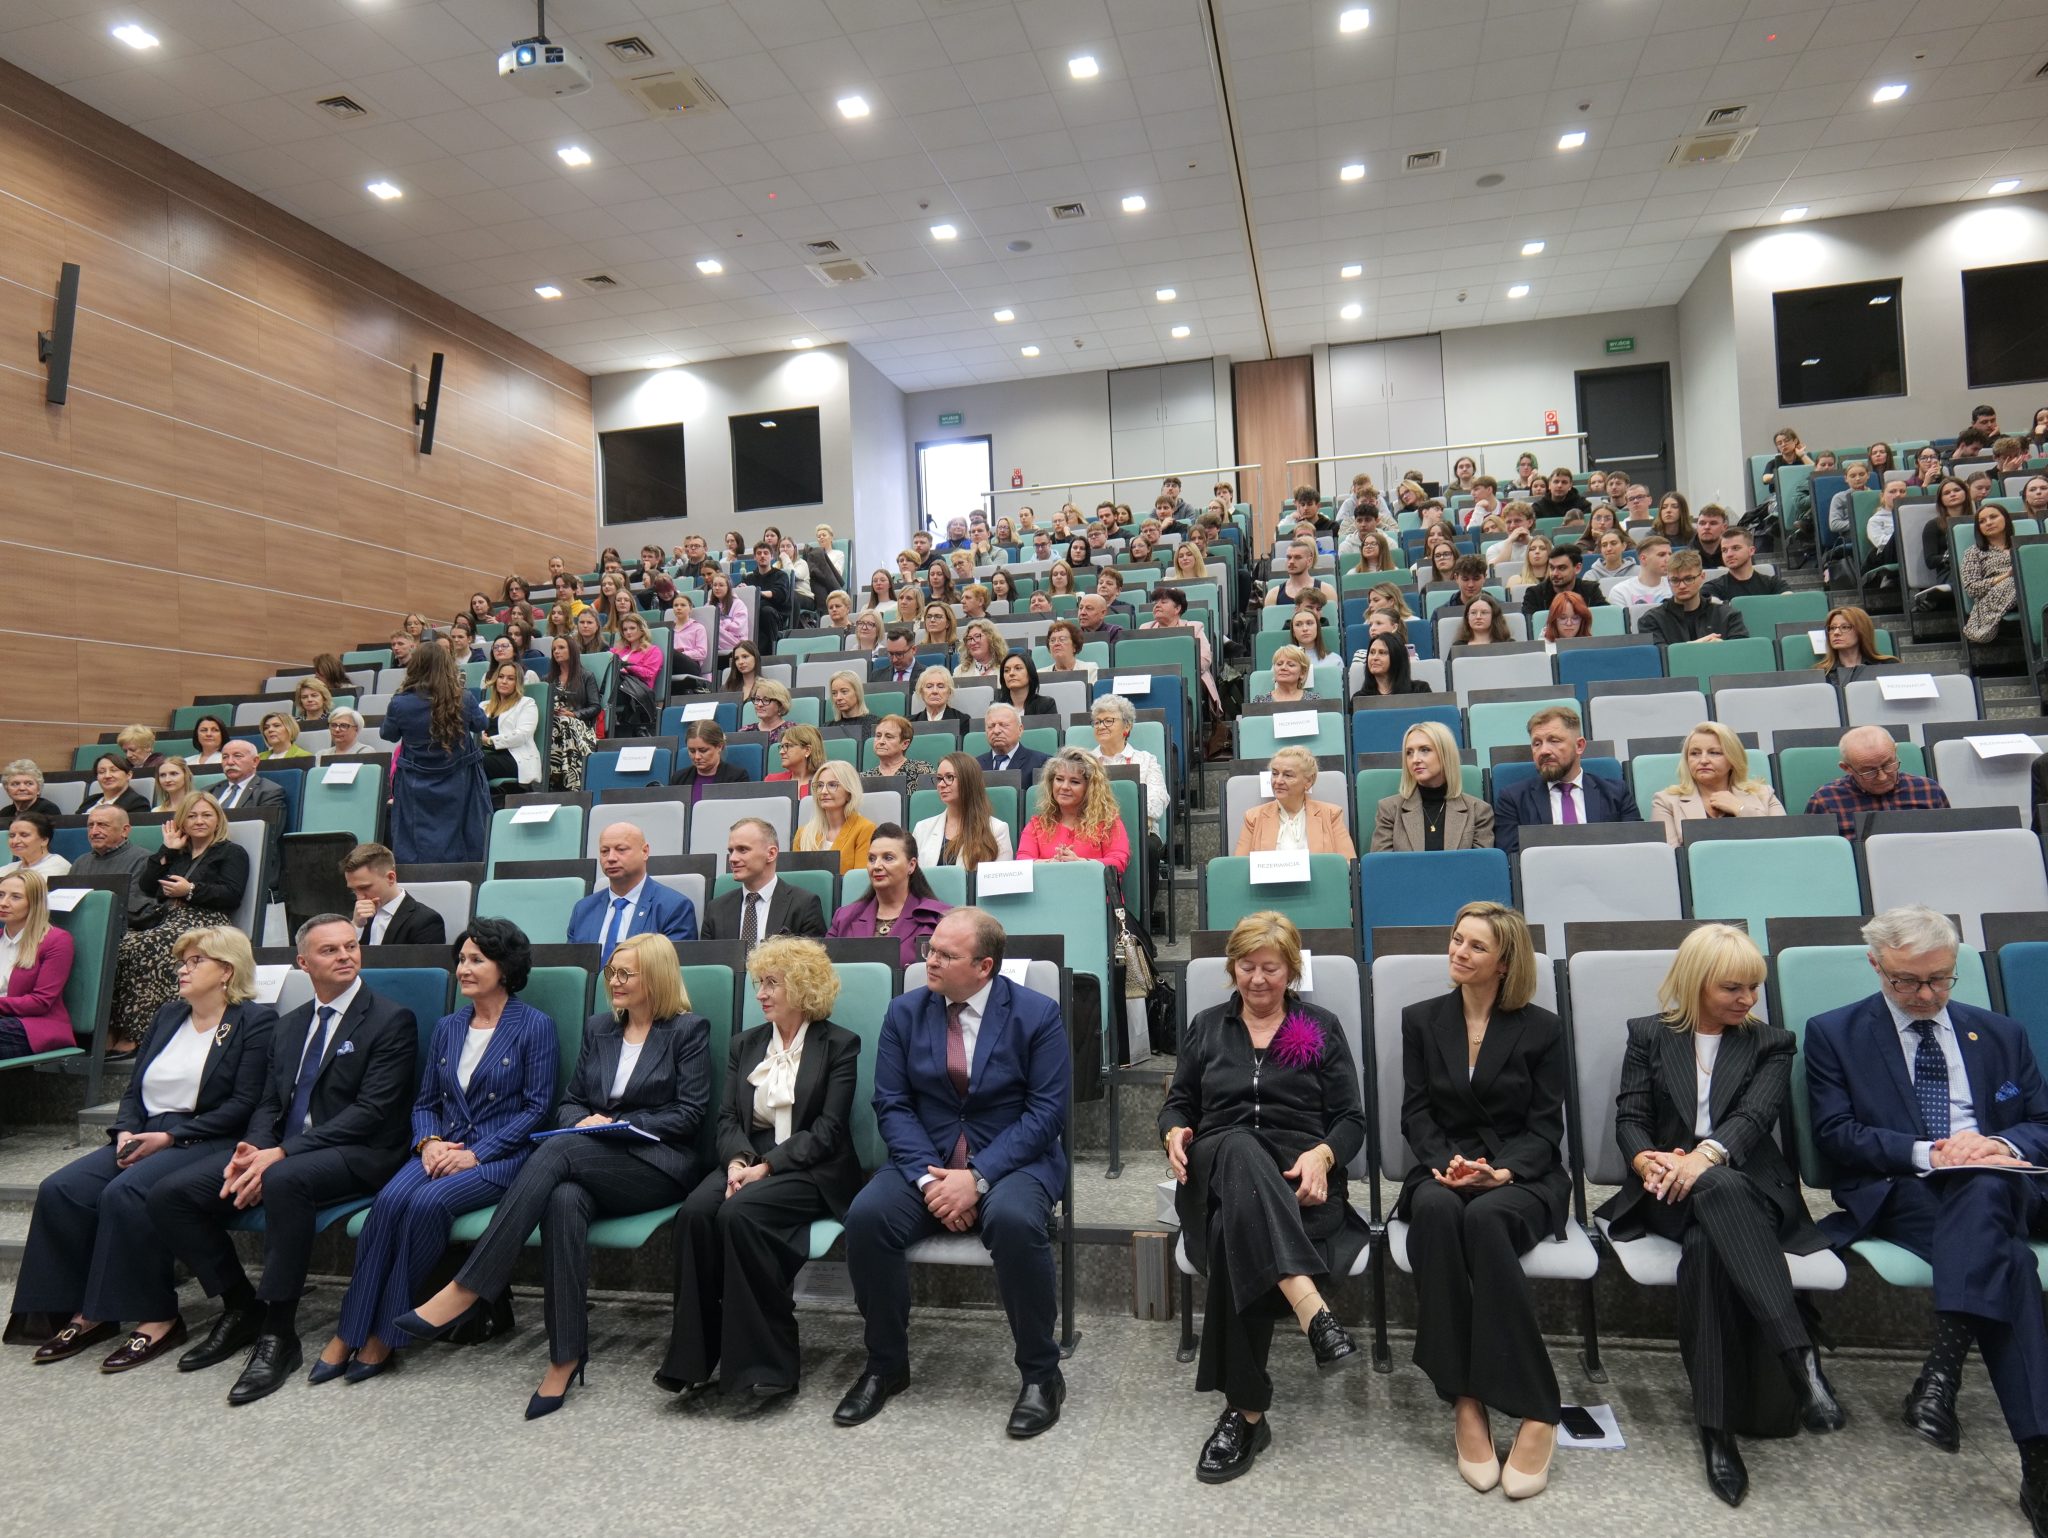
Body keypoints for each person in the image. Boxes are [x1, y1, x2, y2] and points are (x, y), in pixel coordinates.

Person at [1804, 907, 2048, 1530]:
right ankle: (2040, 1459)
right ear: (1876, 967)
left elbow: (2041, 1124)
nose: (1926, 995)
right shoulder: (1836, 1032)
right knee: (2010, 1258)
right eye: (1907, 982)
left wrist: (1998, 1145)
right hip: (1906, 1187)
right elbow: (1837, 1135)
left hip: (2008, 1183)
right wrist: (1932, 1152)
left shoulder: (1999, 1033)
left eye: (1941, 980)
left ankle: (1942, 1370)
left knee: (1986, 1183)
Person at [1595, 925, 1843, 1506]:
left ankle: (1716, 1431)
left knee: (1713, 1220)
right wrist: (1646, 1158)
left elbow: (1755, 1118)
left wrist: (1703, 1160)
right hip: (1666, 1192)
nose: (1747, 1000)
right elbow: (1629, 1116)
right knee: (1707, 1223)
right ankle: (1798, 1355)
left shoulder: (1771, 1044)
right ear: (1696, 982)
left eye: (1754, 988)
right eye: (1733, 988)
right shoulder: (1648, 1036)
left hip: (1749, 1189)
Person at [147, 915, 417, 1403]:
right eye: (330, 950)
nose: (345, 956)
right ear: (303, 962)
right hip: (282, 1151)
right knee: (171, 1194)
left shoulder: (390, 1019)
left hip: (359, 1153)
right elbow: (270, 1102)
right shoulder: (291, 1025)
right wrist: (251, 1152)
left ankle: (279, 1331)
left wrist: (280, 1154)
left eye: (350, 946)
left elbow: (372, 1113)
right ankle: (240, 1304)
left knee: (287, 1180)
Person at [835, 907, 1069, 1436]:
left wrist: (977, 1177)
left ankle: (1041, 1373)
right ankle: (886, 1364)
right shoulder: (904, 1012)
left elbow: (1047, 1113)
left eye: (946, 955)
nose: (929, 961)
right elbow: (892, 1104)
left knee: (1012, 1222)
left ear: (984, 966)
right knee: (867, 1218)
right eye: (930, 949)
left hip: (1013, 1161)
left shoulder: (1037, 1014)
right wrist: (930, 1180)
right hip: (926, 1161)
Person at [1162, 909, 1365, 1480]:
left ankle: (1245, 1413)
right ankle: (1313, 1312)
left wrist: (1323, 1155)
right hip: (1214, 1170)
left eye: (1270, 969)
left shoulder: (1320, 1027)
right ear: (1232, 968)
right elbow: (1180, 1103)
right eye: (1246, 967)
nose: (1257, 980)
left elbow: (1350, 1119)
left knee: (1235, 1230)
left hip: (1299, 1182)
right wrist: (1173, 1131)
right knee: (1237, 1145)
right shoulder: (1207, 1026)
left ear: (1291, 970)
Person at [9, 926, 270, 1368]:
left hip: (208, 1137)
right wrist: (125, 1131)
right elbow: (134, 1089)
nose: (182, 970)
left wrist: (171, 1137)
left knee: (126, 1193)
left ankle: (157, 1317)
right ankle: (87, 1310)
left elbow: (245, 1103)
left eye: (195, 962)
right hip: (147, 1131)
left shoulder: (253, 1021)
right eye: (182, 962)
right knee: (62, 1188)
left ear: (226, 970)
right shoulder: (169, 1015)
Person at [311, 919, 557, 1384]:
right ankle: (349, 1330)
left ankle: (385, 1335)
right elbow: (425, 1103)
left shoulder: (534, 1026)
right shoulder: (448, 1026)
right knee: (387, 1202)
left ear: (504, 968)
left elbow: (536, 1111)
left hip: (500, 1158)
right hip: (438, 1149)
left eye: (476, 960)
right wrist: (430, 1142)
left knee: (425, 1204)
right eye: (461, 959)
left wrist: (476, 1154)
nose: (463, 968)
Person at [645, 936, 859, 1412]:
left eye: (771, 984)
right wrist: (741, 1161)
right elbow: (726, 1120)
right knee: (697, 1213)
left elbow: (828, 1130)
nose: (760, 993)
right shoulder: (746, 1044)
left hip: (810, 1166)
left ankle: (767, 1366)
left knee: (738, 1215)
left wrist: (768, 1166)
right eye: (759, 983)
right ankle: (693, 1358)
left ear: (802, 988)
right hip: (748, 1159)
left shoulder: (838, 1045)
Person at [1398, 902, 1568, 1499]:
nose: (1458, 952)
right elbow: (1415, 1113)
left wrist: (1502, 1171)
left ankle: (1538, 1407)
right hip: (1441, 1166)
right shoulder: (1421, 1020)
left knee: (1489, 1219)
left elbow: (1547, 1128)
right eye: (1455, 939)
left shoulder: (1542, 1028)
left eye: (1475, 946)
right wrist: (1446, 1162)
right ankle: (1465, 1400)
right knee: (1440, 1213)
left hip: (1522, 1174)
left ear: (1504, 962)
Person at [108, 793, 247, 1051]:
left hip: (207, 921)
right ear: (183, 820)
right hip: (168, 918)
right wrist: (166, 849)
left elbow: (231, 894)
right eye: (192, 816)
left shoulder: (231, 852)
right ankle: (116, 1026)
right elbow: (147, 886)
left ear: (218, 819)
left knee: (146, 947)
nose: (199, 821)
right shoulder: (178, 854)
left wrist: (191, 890)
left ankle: (140, 1033)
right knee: (122, 945)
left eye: (207, 815)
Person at [385, 644, 490, 865]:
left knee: (415, 838)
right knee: (464, 832)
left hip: (415, 783)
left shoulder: (400, 702)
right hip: (461, 780)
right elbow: (481, 723)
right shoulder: (464, 698)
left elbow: (389, 735)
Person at [1493, 704, 1641, 857]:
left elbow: (1637, 849)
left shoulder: (1616, 793)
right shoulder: (1513, 799)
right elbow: (1512, 860)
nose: (1544, 751)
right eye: (1537, 743)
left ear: (1579, 745)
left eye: (1554, 741)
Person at [567, 823, 699, 958]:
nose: (611, 858)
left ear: (645, 852)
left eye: (621, 849)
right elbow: (573, 967)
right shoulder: (583, 910)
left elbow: (669, 971)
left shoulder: (674, 907)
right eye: (604, 851)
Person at [827, 824, 953, 965]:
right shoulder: (843, 918)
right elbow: (825, 972)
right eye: (872, 859)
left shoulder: (939, 918)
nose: (877, 866)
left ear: (911, 865)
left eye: (888, 858)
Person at [1805, 724, 1950, 838]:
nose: (1882, 777)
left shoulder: (1928, 790)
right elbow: (1817, 854)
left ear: (1895, 752)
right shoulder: (1825, 801)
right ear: (1846, 768)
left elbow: (1950, 840)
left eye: (1888, 765)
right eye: (1869, 771)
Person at [1650, 724, 1787, 845]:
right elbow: (1671, 857)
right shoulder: (1666, 802)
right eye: (1695, 753)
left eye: (1714, 753)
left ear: (1733, 759)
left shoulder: (1764, 794)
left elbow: (1782, 842)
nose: (1703, 760)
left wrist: (1740, 809)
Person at [702, 819, 826, 949]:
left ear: (771, 854)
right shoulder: (715, 909)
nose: (732, 858)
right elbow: (707, 964)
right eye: (731, 851)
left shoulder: (803, 905)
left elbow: (812, 964)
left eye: (742, 850)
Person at [1372, 721, 1494, 851]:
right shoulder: (1389, 810)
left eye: (1425, 750)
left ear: (1445, 754)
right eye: (1409, 753)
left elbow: (1480, 868)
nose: (1415, 759)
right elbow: (1383, 867)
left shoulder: (1478, 812)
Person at [0, 868, 75, 1061]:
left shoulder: (57, 940)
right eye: (1, 894)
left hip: (34, 1025)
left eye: (15, 897)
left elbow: (40, 1002)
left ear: (34, 903)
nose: (3, 902)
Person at [1017, 748, 1130, 876]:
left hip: (1095, 893)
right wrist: (1051, 864)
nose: (1064, 787)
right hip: (1050, 892)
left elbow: (1118, 863)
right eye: (1059, 779)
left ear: (1090, 788)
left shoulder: (1108, 822)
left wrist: (1080, 863)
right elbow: (1022, 862)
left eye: (1074, 782)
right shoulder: (1037, 824)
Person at [1233, 746, 1354, 855]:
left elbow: (1347, 865)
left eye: (1288, 775)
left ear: (1308, 781)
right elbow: (1239, 868)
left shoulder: (1331, 814)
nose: (1278, 781)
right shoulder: (1253, 818)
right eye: (1275, 774)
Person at [914, 753, 1013, 870]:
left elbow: (999, 882)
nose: (941, 784)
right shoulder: (922, 828)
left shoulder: (997, 829)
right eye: (939, 778)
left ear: (968, 781)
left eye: (949, 777)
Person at [1089, 693, 1167, 838]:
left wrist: (1140, 820)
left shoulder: (1146, 759)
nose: (1101, 726)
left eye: (1108, 721)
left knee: (1148, 848)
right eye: (1097, 722)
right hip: (1093, 830)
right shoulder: (1085, 762)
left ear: (1127, 726)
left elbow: (1158, 797)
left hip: (1140, 829)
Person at [340, 842, 445, 948]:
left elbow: (423, 963)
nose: (359, 898)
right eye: (354, 890)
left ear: (390, 878)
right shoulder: (353, 919)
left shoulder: (426, 921)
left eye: (364, 888)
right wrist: (356, 927)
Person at [1638, 551, 1750, 646]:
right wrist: (1696, 647)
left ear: (1702, 577)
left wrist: (1722, 647)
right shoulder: (1651, 620)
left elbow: (1741, 651)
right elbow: (1658, 659)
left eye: (1689, 578)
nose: (1681, 586)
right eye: (1675, 580)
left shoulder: (1727, 614)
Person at [1142, 586, 1223, 715]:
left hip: (1188, 678)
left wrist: (1181, 672)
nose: (1157, 605)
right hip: (1153, 679)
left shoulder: (1194, 627)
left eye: (1163, 602)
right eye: (1155, 602)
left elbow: (1205, 659)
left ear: (1177, 608)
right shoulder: (1145, 629)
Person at [69, 805, 153, 921]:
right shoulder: (80, 862)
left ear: (124, 830)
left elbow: (137, 909)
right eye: (90, 825)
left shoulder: (143, 860)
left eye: (102, 825)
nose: (94, 832)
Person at [793, 761, 875, 875]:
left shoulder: (865, 829)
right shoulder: (803, 834)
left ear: (849, 792)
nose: (824, 792)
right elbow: (796, 879)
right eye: (820, 785)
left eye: (832, 785)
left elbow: (859, 882)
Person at [476, 659, 541, 788]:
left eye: (510, 678)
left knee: (476, 762)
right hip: (486, 754)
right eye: (501, 677)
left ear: (517, 683)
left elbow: (522, 735)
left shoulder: (527, 703)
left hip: (515, 758)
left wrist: (489, 741)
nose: (504, 681)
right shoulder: (483, 706)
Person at [1963, 500, 2019, 644]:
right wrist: (2006, 576)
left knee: (2026, 580)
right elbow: (1972, 588)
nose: (1988, 522)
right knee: (2017, 581)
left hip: (2028, 591)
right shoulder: (1974, 552)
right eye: (1982, 521)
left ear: (2005, 519)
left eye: (1993, 517)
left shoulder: (2022, 546)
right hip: (1992, 599)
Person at [1812, 604, 1900, 685]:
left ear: (1861, 631)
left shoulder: (1888, 665)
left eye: (1845, 627)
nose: (1836, 632)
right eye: (1832, 628)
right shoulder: (1821, 673)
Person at [1518, 544, 1607, 620]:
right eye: (1552, 568)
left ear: (1577, 568)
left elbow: (1605, 619)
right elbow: (1530, 627)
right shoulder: (1534, 594)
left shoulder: (1591, 590)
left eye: (1562, 568)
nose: (1555, 573)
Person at [674, 721, 749, 803]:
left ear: (719, 746)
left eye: (703, 750)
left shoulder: (737, 778)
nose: (697, 757)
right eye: (692, 751)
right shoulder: (678, 779)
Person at [979, 703, 1052, 782]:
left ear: (1020, 730)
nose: (996, 731)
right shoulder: (974, 766)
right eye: (991, 726)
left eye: (1003, 725)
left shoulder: (1042, 763)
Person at [1704, 527, 1783, 600]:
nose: (1729, 554)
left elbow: (1789, 603)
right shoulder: (1712, 588)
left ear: (1751, 551)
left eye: (1735, 548)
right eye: (1724, 550)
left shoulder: (1773, 584)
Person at [871, 714, 936, 793]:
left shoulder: (922, 770)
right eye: (878, 735)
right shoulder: (864, 777)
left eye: (889, 737)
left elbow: (928, 801)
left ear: (904, 744)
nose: (881, 741)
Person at [1266, 540, 1336, 608]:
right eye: (1289, 557)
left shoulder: (1326, 590)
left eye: (1297, 557)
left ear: (1309, 561)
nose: (1291, 562)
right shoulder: (1273, 595)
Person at [1607, 535, 1673, 607]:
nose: (1669, 559)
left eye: (1670, 554)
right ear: (1643, 558)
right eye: (1661, 555)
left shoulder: (1675, 586)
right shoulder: (1621, 592)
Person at [763, 722, 823, 797]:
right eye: (781, 747)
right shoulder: (772, 781)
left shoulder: (824, 782)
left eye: (787, 746)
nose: (781, 752)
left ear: (807, 750)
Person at [87, 753, 151, 816]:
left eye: (113, 770)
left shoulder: (138, 803)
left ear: (128, 775)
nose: (107, 776)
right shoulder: (89, 801)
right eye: (101, 772)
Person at [1044, 619, 1098, 685]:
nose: (1056, 643)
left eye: (1062, 639)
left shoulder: (1090, 669)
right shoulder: (1040, 674)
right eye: (1052, 640)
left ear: (1074, 646)